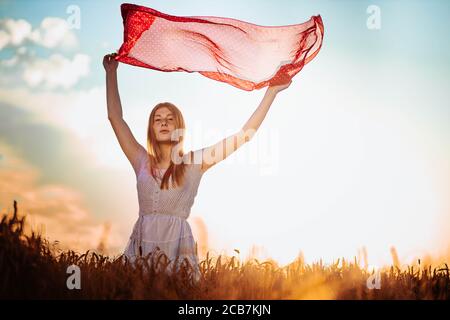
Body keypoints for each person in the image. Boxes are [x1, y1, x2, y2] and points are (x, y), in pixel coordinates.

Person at [103, 52, 291, 283]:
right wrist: (111, 73)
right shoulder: (141, 160)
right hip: (142, 244)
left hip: (177, 245)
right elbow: (115, 118)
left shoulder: (194, 162)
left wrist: (270, 93)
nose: (163, 122)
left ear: (179, 126)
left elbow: (244, 136)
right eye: (157, 118)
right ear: (151, 128)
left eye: (170, 118)